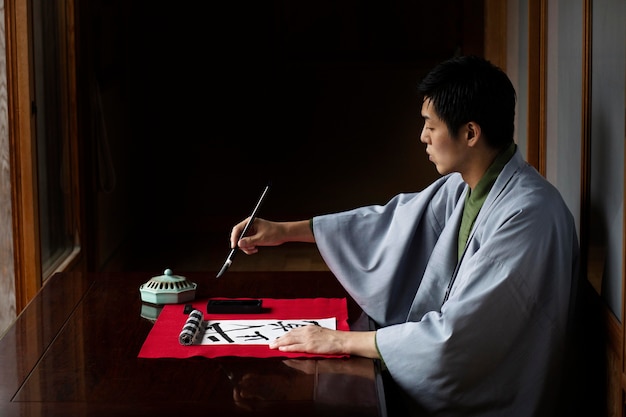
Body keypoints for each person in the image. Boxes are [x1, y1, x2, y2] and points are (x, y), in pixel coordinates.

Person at [227, 55, 580, 416]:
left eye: (430, 125)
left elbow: (457, 338)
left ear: (470, 133)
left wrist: (338, 339)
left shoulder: (526, 214)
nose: (422, 137)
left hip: (495, 396)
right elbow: (388, 225)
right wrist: (283, 231)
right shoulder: (467, 188)